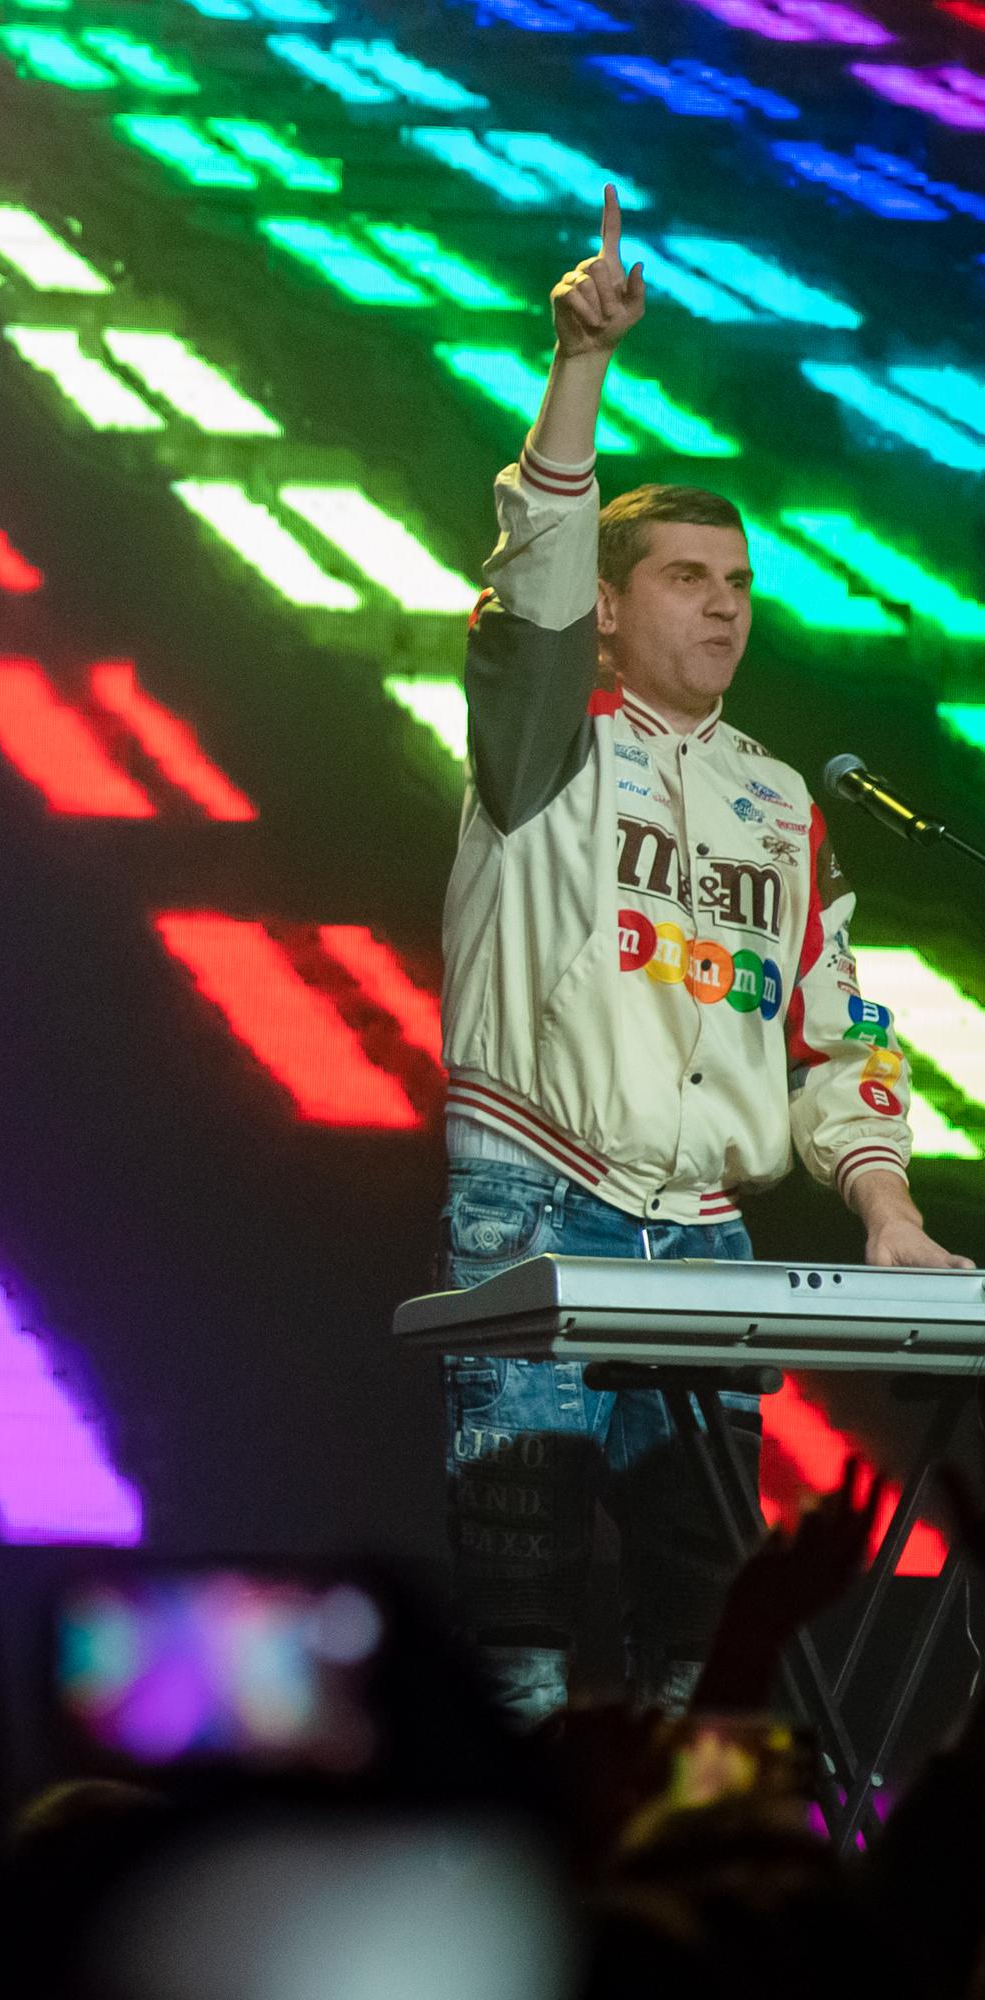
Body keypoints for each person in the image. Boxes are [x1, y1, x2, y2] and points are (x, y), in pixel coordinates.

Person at [436, 189, 970, 1724]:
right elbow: (531, 577)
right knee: (522, 1624)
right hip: (534, 1196)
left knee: (709, 1631)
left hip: (708, 1234)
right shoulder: (541, 746)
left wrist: (885, 1209)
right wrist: (581, 364)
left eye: (738, 585)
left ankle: (699, 1865)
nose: (726, 606)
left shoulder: (782, 802)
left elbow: (839, 1030)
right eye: (688, 579)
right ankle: (538, 1858)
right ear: (608, 613)